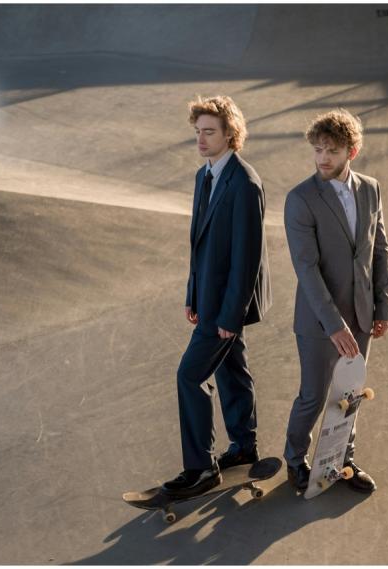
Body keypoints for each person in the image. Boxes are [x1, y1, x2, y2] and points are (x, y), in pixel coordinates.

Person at [160, 96, 272, 498]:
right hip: (208, 297)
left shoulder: (244, 183)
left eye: (209, 132)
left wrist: (229, 315)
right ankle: (244, 447)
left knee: (190, 375)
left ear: (230, 134)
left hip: (227, 303)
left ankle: (201, 468)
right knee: (230, 369)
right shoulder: (203, 176)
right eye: (197, 132)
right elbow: (199, 245)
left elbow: (247, 258)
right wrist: (192, 294)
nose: (201, 139)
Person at [283, 108, 388, 493]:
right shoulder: (300, 199)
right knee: (313, 396)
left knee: (350, 394)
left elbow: (379, 250)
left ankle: (343, 461)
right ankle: (296, 460)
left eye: (331, 150)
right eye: (317, 150)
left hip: (362, 313)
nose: (322, 158)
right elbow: (307, 270)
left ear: (353, 151)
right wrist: (334, 325)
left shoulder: (371, 188)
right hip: (318, 321)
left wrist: (383, 307)